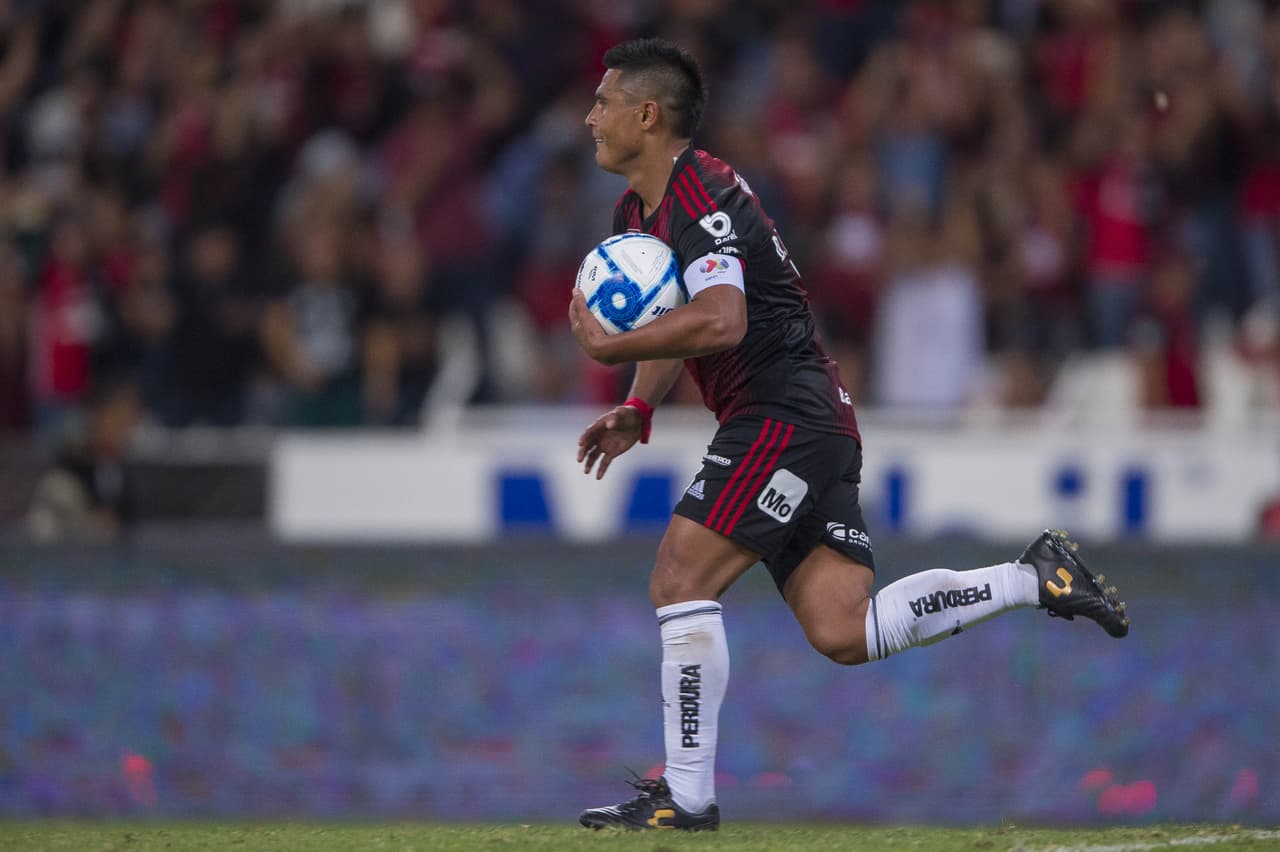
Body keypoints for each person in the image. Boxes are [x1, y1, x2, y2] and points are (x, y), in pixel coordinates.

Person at [568, 38, 1130, 832]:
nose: (591, 117)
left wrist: (610, 345)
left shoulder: (702, 193)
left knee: (679, 577)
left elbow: (722, 321)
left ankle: (686, 797)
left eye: (604, 102)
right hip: (808, 417)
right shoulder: (638, 211)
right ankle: (1030, 578)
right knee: (844, 628)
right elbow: (682, 321)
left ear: (648, 115)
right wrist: (641, 404)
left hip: (781, 413)